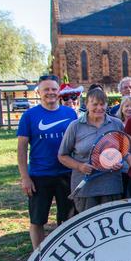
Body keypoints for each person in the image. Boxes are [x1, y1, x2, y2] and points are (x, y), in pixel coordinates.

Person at [17, 74, 78, 249]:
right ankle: (38, 256)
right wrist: (25, 177)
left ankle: (68, 251)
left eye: (53, 89)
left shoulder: (70, 113)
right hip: (39, 175)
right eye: (46, 89)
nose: (50, 92)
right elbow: (21, 148)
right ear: (39, 92)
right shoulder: (29, 116)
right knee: (37, 219)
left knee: (68, 217)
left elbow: (76, 143)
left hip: (66, 174)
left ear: (58, 91)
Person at [58, 89, 124, 212]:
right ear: (86, 104)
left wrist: (120, 163)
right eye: (94, 104)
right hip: (85, 188)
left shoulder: (116, 124)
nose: (99, 107)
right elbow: (62, 155)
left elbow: (125, 152)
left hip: (111, 186)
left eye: (102, 104)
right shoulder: (75, 126)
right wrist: (80, 166)